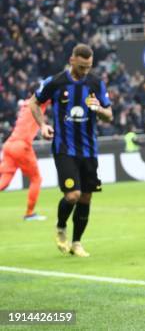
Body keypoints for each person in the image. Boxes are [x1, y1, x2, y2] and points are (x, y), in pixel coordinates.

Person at [30, 44, 113, 257]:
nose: (85, 71)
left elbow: (109, 115)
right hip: (64, 148)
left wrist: (99, 109)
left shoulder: (96, 83)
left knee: (86, 198)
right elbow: (34, 102)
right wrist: (42, 125)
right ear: (72, 60)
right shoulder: (56, 82)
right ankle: (60, 227)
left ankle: (77, 243)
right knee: (73, 195)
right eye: (82, 66)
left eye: (89, 67)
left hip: (89, 150)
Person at [0, 95, 50, 220]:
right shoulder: (38, 103)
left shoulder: (25, 105)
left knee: (4, 181)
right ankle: (29, 213)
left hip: (9, 144)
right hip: (21, 146)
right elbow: (53, 93)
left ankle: (30, 213)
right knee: (36, 179)